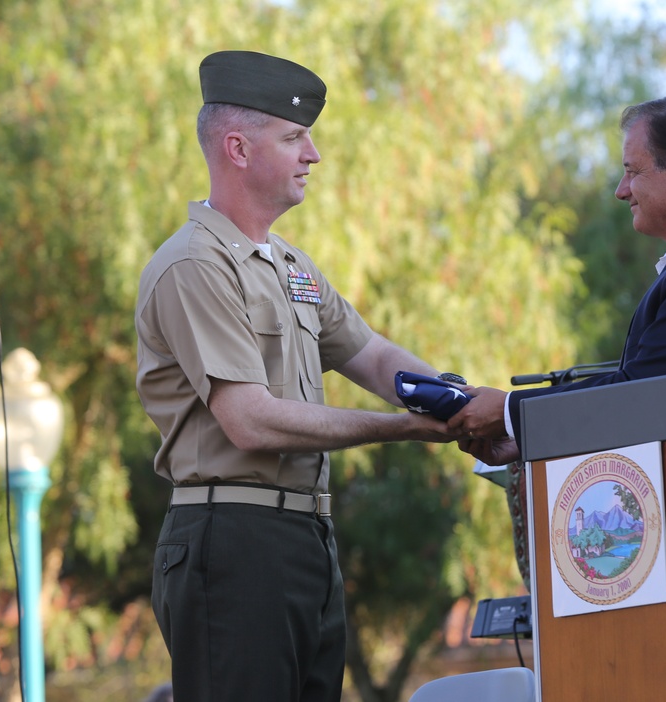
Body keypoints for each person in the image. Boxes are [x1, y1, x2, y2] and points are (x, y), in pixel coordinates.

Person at [134, 51, 463, 702]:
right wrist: (401, 428)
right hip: (231, 542)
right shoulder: (195, 265)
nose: (313, 154)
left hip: (303, 537)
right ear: (237, 148)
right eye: (293, 138)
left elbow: (370, 357)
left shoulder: (289, 265)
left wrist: (467, 404)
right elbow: (249, 420)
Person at [449, 96, 666, 465]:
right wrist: (532, 439)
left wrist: (508, 412)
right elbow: (665, 397)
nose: (621, 190)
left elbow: (641, 396)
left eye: (633, 171)